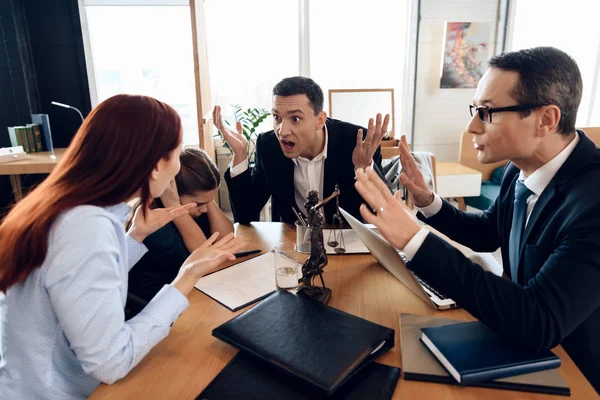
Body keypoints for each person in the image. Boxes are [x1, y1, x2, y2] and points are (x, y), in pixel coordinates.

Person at [354, 47, 600, 393]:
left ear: (546, 119)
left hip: (575, 374)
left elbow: (538, 321)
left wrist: (415, 239)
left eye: (486, 112)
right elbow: (487, 233)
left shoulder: (594, 201)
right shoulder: (519, 169)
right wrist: (427, 201)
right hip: (514, 342)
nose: (471, 127)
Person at [0, 94, 243, 399]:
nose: (177, 166)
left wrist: (134, 238)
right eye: (177, 155)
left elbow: (75, 286)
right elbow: (111, 362)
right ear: (156, 166)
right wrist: (187, 277)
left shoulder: (73, 206)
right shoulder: (86, 226)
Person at [213, 76, 390, 224]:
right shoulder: (268, 146)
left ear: (319, 121)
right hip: (293, 247)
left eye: (295, 118)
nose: (282, 131)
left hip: (347, 244)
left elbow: (382, 211)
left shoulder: (357, 142)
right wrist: (240, 156)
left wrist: (364, 167)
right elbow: (245, 216)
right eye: (277, 117)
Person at [128, 148, 234, 305]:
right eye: (199, 204)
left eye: (208, 202)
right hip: (155, 303)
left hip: (189, 292)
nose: (204, 209)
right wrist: (173, 204)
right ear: (172, 191)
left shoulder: (196, 209)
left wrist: (207, 199)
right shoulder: (154, 223)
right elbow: (203, 254)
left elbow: (226, 239)